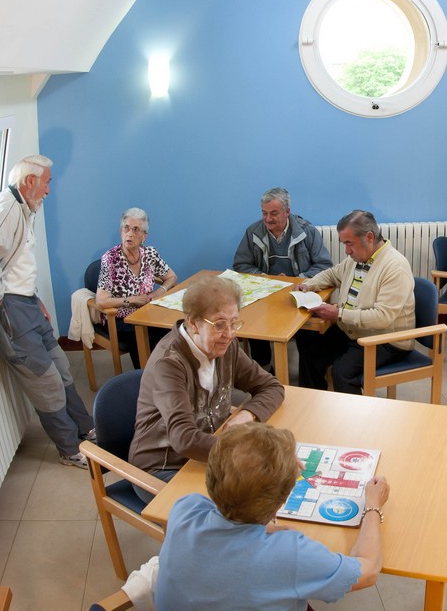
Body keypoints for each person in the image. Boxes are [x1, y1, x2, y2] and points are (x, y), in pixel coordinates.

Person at [155, 423, 389, 610]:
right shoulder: (289, 553)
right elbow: (368, 571)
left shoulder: (185, 509)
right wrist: (372, 506)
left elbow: (232, 526)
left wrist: (270, 529)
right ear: (279, 504)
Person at [0, 155, 95, 469]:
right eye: (47, 182)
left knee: (63, 369)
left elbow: (16, 263)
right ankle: (69, 449)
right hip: (11, 311)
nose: (49, 190)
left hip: (28, 304)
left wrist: (33, 299)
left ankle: (87, 430)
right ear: (29, 182)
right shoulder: (7, 209)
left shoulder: (25, 208)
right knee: (46, 384)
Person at [129, 275, 284, 499]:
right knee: (244, 504)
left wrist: (247, 415)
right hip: (163, 468)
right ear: (192, 323)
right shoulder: (169, 364)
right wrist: (250, 453)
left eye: (234, 322)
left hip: (208, 452)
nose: (230, 334)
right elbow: (184, 438)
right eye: (219, 324)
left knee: (261, 494)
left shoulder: (225, 347)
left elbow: (271, 386)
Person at [294, 210, 414, 395]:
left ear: (369, 237)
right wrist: (308, 285)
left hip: (387, 340)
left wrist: (339, 314)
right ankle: (313, 403)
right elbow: (333, 274)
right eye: (344, 244)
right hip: (354, 330)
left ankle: (355, 422)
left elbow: (382, 317)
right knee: (311, 352)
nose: (346, 251)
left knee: (342, 373)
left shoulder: (395, 267)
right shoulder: (358, 257)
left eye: (349, 244)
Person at [232, 187, 332, 368]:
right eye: (264, 213)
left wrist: (297, 279)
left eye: (274, 213)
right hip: (265, 295)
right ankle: (265, 371)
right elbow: (241, 265)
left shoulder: (307, 231)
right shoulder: (253, 232)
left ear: (287, 212)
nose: (268, 219)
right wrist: (266, 278)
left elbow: (324, 265)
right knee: (255, 325)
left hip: (298, 293)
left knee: (307, 332)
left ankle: (307, 379)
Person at [93, 207, 178, 370]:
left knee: (169, 329)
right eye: (126, 228)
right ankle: (145, 379)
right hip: (119, 317)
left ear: (144, 236)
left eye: (136, 229)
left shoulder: (151, 254)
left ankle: (168, 374)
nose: (130, 233)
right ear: (120, 231)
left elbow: (172, 277)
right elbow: (101, 301)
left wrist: (158, 292)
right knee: (141, 333)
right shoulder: (110, 259)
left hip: (146, 311)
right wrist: (131, 300)